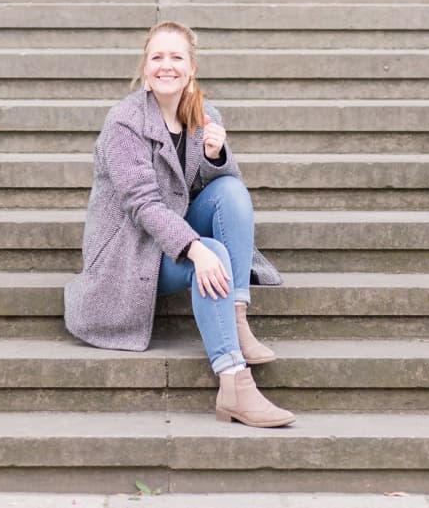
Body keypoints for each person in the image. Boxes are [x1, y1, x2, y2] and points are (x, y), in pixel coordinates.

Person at [63, 21, 293, 428]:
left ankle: (237, 317)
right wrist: (197, 248)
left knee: (231, 193)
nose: (166, 65)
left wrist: (216, 155)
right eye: (157, 57)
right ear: (145, 69)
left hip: (169, 234)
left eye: (176, 57)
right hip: (129, 251)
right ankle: (234, 381)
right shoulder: (124, 123)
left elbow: (221, 194)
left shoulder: (204, 115)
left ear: (191, 69)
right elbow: (143, 205)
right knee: (214, 253)